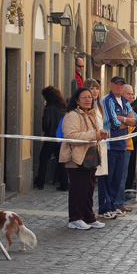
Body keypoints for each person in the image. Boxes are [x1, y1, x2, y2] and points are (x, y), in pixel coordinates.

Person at [59, 87, 108, 230]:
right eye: (84, 97)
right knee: (78, 189)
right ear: (76, 100)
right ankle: (75, 218)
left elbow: (93, 133)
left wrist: (100, 133)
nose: (88, 100)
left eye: (89, 97)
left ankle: (88, 217)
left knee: (89, 189)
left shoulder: (91, 114)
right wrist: (94, 134)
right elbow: (71, 136)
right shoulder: (72, 115)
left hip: (90, 157)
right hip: (77, 158)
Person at [98, 76, 137, 219]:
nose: (119, 87)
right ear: (111, 85)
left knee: (117, 178)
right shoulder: (107, 101)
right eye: (117, 85)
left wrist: (124, 119)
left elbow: (136, 120)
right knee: (107, 179)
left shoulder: (125, 102)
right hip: (110, 145)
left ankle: (113, 205)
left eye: (122, 85)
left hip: (121, 145)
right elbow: (113, 124)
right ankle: (104, 207)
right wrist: (128, 120)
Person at [34, 86, 68, 191]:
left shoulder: (48, 108)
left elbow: (46, 122)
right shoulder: (63, 107)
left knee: (43, 159)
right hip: (60, 138)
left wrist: (45, 130)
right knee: (61, 161)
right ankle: (64, 184)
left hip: (50, 137)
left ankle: (40, 182)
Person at [116, 84, 135, 213]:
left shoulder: (130, 108)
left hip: (127, 145)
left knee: (123, 175)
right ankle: (117, 203)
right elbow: (119, 126)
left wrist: (127, 122)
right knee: (119, 176)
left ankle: (119, 201)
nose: (131, 96)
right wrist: (126, 122)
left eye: (132, 94)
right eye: (128, 94)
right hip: (119, 145)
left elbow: (132, 125)